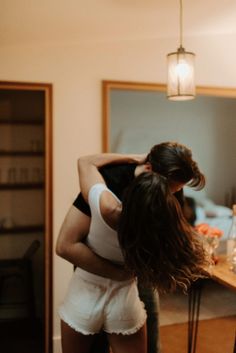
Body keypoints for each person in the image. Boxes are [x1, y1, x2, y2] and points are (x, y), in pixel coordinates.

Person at [56, 142, 207, 353]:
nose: (172, 196)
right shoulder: (112, 180)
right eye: (172, 188)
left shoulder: (106, 205)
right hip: (114, 278)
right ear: (149, 170)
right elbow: (65, 246)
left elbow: (85, 162)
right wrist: (122, 274)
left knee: (152, 342)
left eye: (179, 189)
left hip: (120, 282)